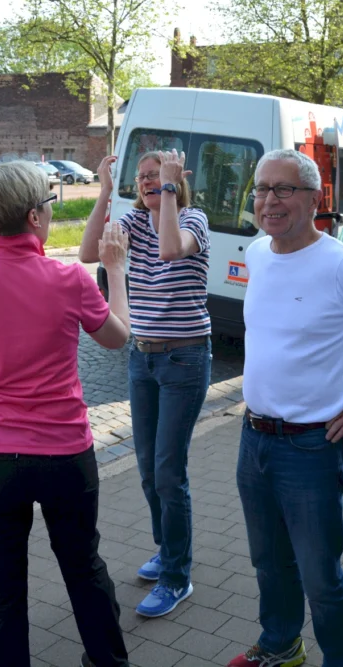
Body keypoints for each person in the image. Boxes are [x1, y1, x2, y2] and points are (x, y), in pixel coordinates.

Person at [0, 161, 131, 667]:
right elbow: (117, 339)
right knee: (83, 569)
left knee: (1, 592)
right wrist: (115, 270)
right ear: (33, 217)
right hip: (66, 453)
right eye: (48, 204)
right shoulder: (69, 279)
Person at [227, 149, 343, 667]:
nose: (269, 200)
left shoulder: (342, 267)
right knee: (268, 562)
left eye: (284, 189)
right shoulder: (258, 251)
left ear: (314, 199)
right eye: (262, 188)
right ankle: (281, 644)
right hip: (254, 436)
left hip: (312, 447)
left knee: (320, 575)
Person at [78, 149, 211, 618]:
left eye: (159, 175)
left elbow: (172, 248)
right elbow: (88, 251)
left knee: (170, 473)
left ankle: (178, 576)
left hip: (185, 359)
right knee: (148, 469)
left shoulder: (193, 218)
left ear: (176, 179)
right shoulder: (134, 221)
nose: (150, 183)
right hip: (143, 358)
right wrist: (105, 191)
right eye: (143, 178)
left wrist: (171, 192)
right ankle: (167, 548)